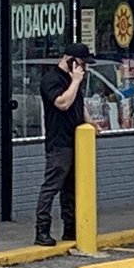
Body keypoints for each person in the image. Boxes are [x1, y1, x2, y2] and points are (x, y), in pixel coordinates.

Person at [34, 43, 96, 247]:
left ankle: (70, 227)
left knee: (71, 188)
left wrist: (90, 121)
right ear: (69, 60)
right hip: (59, 142)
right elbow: (62, 103)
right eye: (81, 64)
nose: (83, 69)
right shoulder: (51, 80)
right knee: (52, 185)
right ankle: (42, 229)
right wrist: (76, 80)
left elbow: (78, 104)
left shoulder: (72, 81)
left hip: (76, 140)